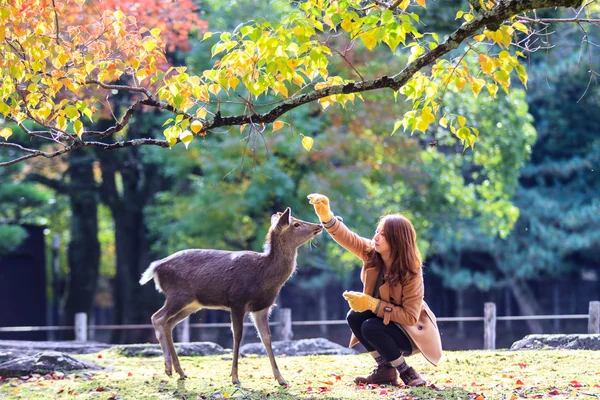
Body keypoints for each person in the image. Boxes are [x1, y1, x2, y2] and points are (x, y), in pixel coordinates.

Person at [307, 193, 442, 387]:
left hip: (410, 334)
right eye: (377, 231)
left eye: (383, 234)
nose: (376, 237)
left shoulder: (412, 272)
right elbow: (348, 237)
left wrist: (372, 304)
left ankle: (406, 372)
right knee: (355, 316)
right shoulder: (371, 253)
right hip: (384, 323)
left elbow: (410, 318)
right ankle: (385, 370)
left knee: (371, 326)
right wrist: (327, 217)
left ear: (397, 241)